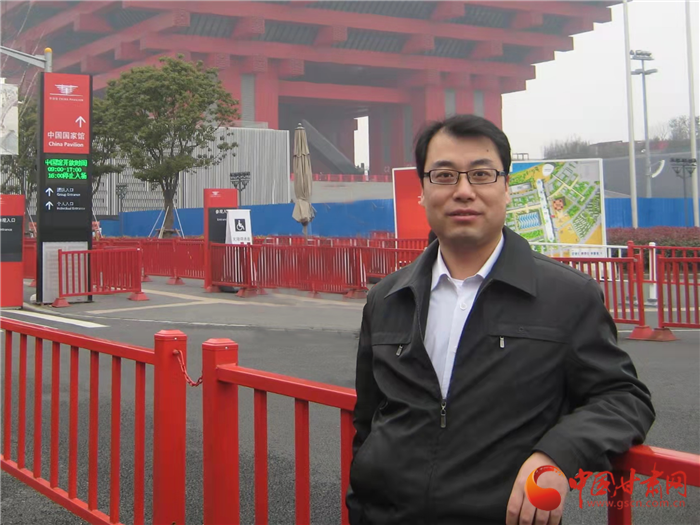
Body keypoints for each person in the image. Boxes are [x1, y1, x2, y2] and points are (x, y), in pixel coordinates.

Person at [346, 114, 655, 525]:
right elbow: (369, 420)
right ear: (422, 190)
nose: (463, 191)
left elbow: (623, 398)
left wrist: (556, 455)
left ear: (507, 188)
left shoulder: (567, 296)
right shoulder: (386, 298)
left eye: (481, 174)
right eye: (444, 175)